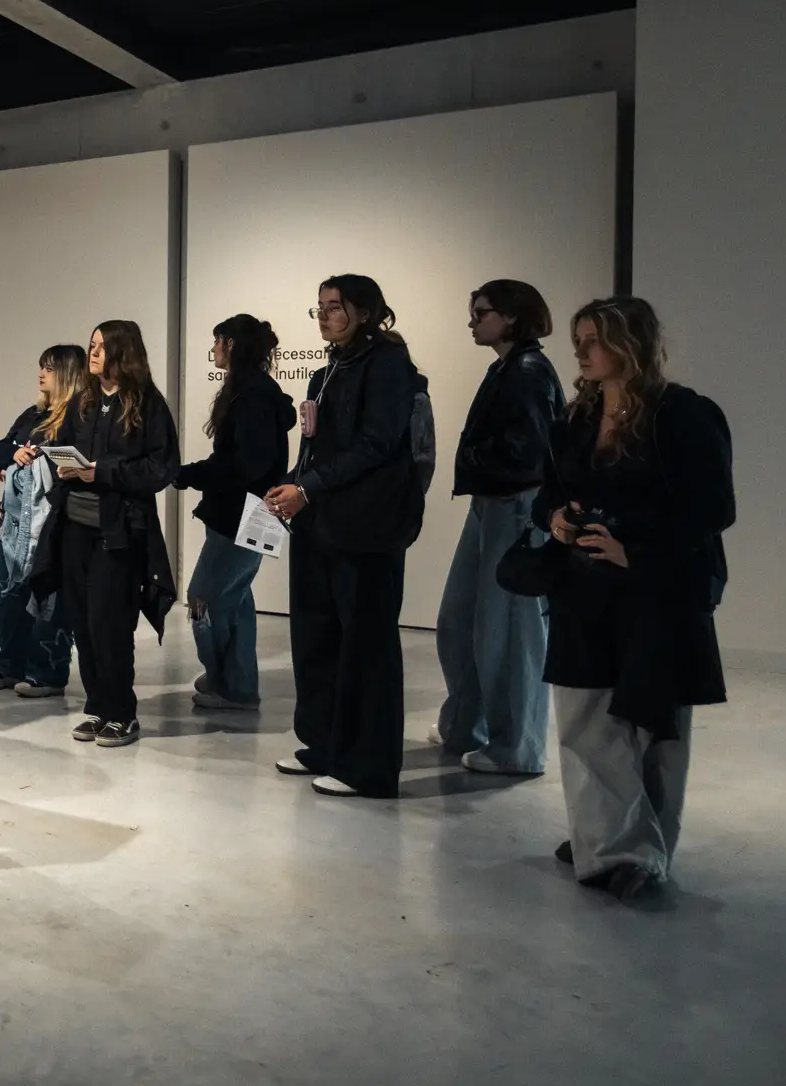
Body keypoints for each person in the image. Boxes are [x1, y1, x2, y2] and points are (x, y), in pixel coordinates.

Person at [539, 297, 731, 907]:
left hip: (657, 591)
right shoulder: (577, 417)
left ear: (633, 343)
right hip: (585, 589)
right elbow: (550, 491)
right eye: (578, 339)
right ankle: (607, 841)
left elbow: (712, 507)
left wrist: (636, 550)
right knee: (584, 718)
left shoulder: (683, 414)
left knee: (653, 727)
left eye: (594, 339)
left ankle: (639, 851)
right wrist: (556, 517)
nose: (581, 351)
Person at [264, 275, 424, 799]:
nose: (326, 316)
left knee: (366, 647)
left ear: (366, 311)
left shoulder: (388, 365)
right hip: (321, 523)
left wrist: (307, 488)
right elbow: (318, 446)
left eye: (335, 306)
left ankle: (368, 766)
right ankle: (325, 744)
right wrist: (293, 483)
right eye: (320, 308)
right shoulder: (327, 370)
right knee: (317, 637)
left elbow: (378, 444)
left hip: (367, 527)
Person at [434, 280, 567, 774]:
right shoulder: (508, 368)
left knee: (509, 632)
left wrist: (473, 457)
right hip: (491, 504)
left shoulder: (527, 372)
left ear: (511, 316)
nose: (472, 322)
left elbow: (529, 450)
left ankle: (517, 747)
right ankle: (466, 725)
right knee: (462, 620)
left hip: (514, 507)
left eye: (482, 313)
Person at [29, 321, 178, 749]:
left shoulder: (148, 404)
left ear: (121, 352)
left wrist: (102, 472)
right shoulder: (83, 401)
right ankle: (97, 706)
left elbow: (161, 468)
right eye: (91, 345)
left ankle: (122, 712)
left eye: (100, 346)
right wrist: (64, 465)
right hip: (74, 529)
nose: (92, 353)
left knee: (110, 623)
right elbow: (64, 448)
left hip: (119, 532)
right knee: (82, 622)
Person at [174, 316, 295, 713]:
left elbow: (244, 465)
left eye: (217, 341)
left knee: (202, 599)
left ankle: (224, 679)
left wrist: (188, 474)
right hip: (244, 512)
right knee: (236, 601)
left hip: (244, 513)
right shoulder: (250, 392)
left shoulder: (253, 397)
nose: (213, 348)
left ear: (231, 344)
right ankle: (237, 685)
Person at [0, 344, 85, 697]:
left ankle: (48, 672)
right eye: (41, 367)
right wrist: (16, 453)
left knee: (48, 598)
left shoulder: (78, 417)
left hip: (51, 523)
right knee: (10, 595)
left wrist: (39, 461)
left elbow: (76, 462)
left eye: (49, 368)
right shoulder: (32, 414)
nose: (41, 374)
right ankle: (10, 664)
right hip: (14, 525)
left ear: (67, 374)